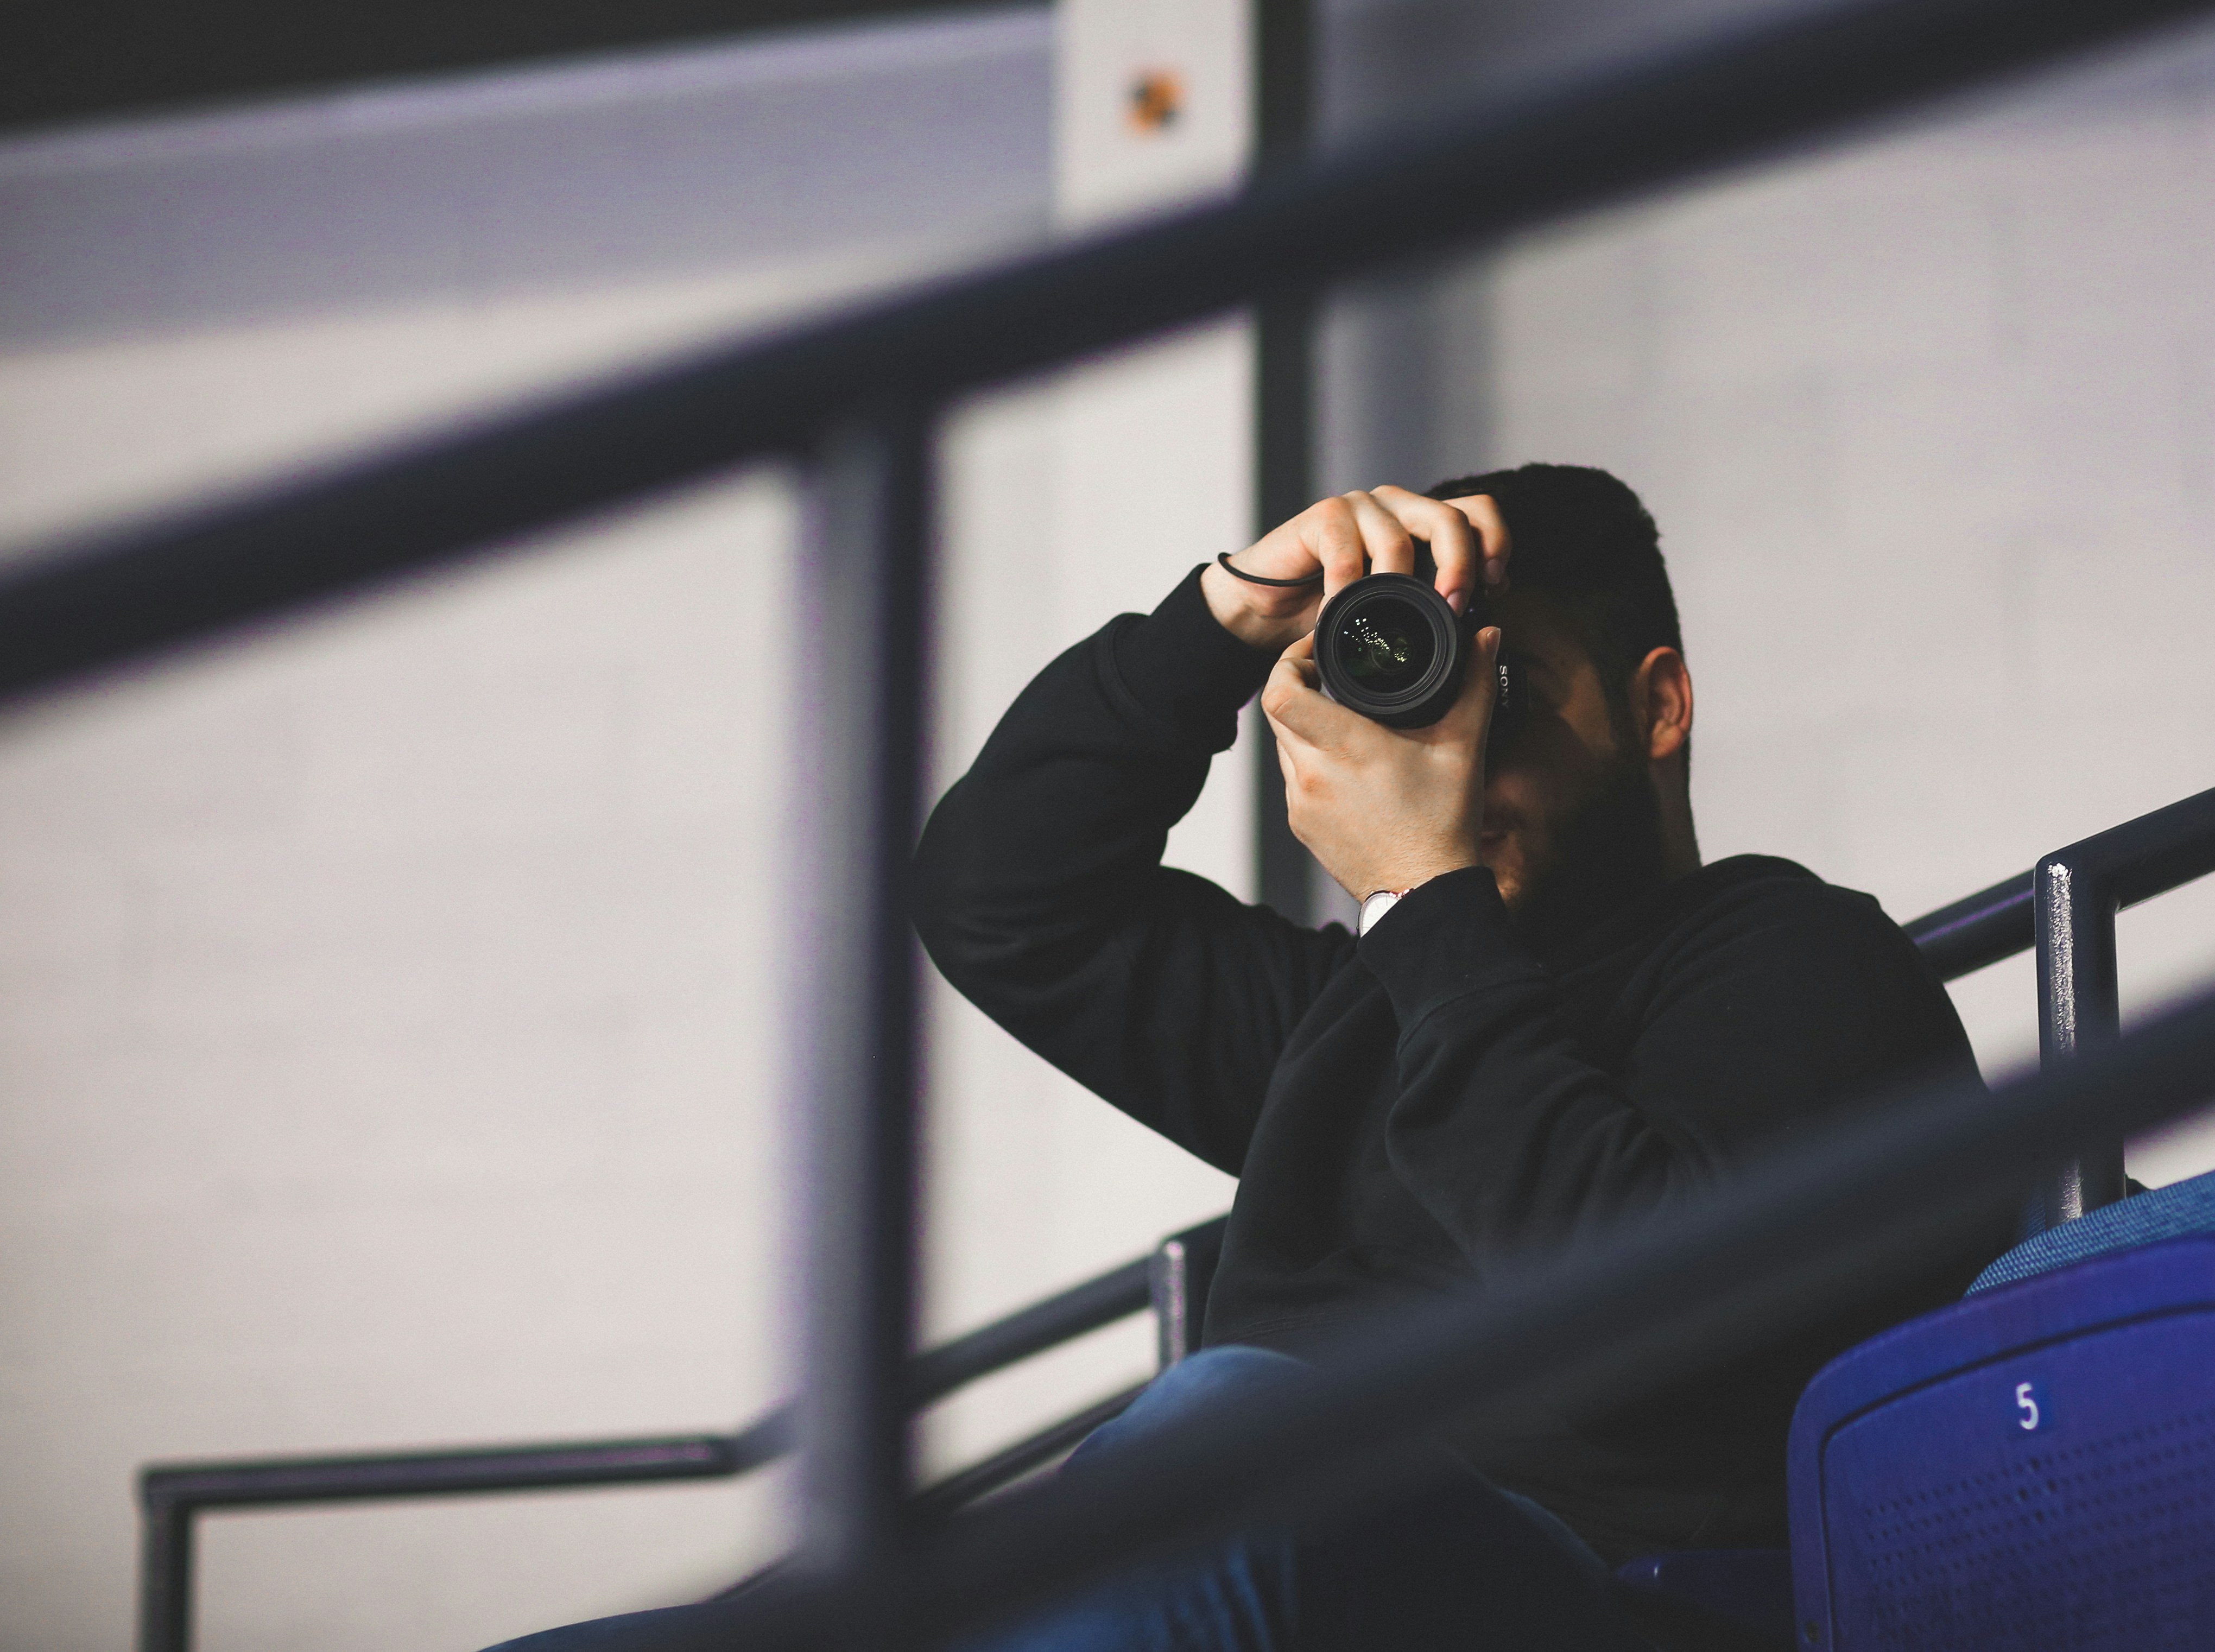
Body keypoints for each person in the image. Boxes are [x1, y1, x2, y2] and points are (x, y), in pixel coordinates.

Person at [488, 465, 1996, 1652]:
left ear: (1656, 705)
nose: (1460, 746)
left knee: (1233, 1423)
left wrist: (1418, 888)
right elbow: (1000, 897)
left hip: (1591, 1596)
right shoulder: (1355, 1008)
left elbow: (1630, 1293)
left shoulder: (1800, 958)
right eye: (1430, 688)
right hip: (1224, 1566)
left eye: (1510, 689)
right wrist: (1217, 619)